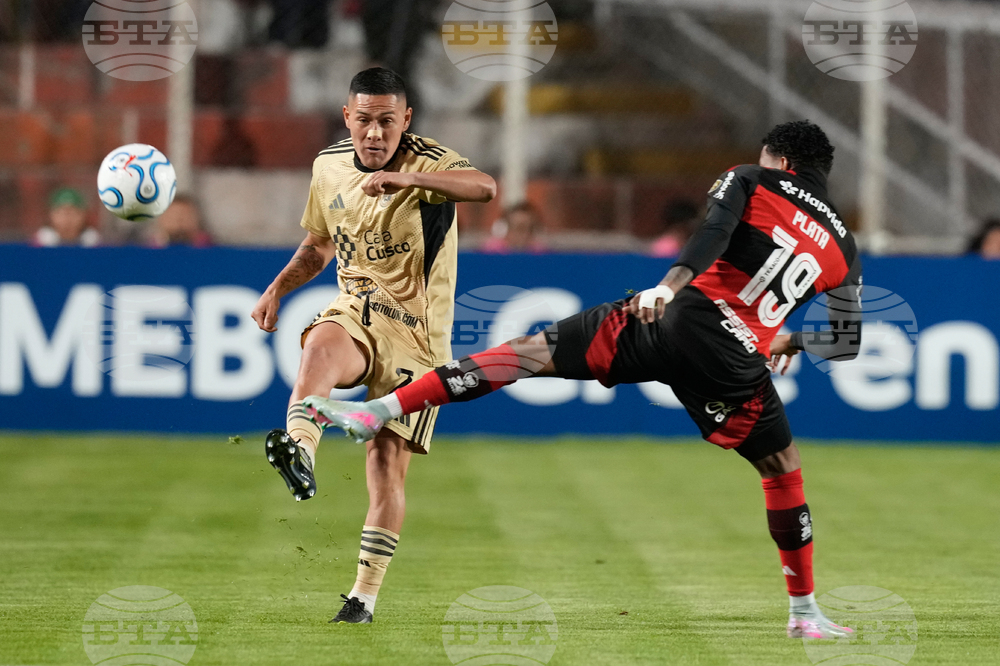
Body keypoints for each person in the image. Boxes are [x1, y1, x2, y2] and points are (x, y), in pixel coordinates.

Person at [303, 120, 863, 639]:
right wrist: (788, 338)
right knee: (782, 470)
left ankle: (376, 411)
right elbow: (845, 343)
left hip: (669, 318)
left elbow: (713, 231)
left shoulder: (751, 178)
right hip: (735, 362)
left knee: (527, 353)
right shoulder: (845, 248)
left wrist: (669, 284)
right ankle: (804, 610)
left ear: (782, 161)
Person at [250, 67, 496, 624]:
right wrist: (276, 289)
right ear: (347, 117)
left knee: (385, 465)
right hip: (358, 309)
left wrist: (409, 182)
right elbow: (316, 246)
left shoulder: (429, 162)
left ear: (406, 120)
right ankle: (302, 450)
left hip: (418, 337)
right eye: (365, 120)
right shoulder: (328, 166)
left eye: (388, 121)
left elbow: (486, 188)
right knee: (321, 345)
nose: (376, 134)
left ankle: (362, 597)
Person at [32, 187, 100, 247]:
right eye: (62, 213)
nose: (67, 219)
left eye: (73, 213)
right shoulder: (41, 243)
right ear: (51, 215)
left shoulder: (93, 243)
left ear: (83, 215)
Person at [147, 194, 213, 248]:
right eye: (173, 216)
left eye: (185, 215)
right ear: (162, 219)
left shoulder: (209, 248)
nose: (178, 221)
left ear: (196, 219)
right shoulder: (149, 248)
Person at [481, 202, 547, 253]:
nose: (523, 234)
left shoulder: (540, 252)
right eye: (519, 228)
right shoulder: (492, 250)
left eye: (529, 228)